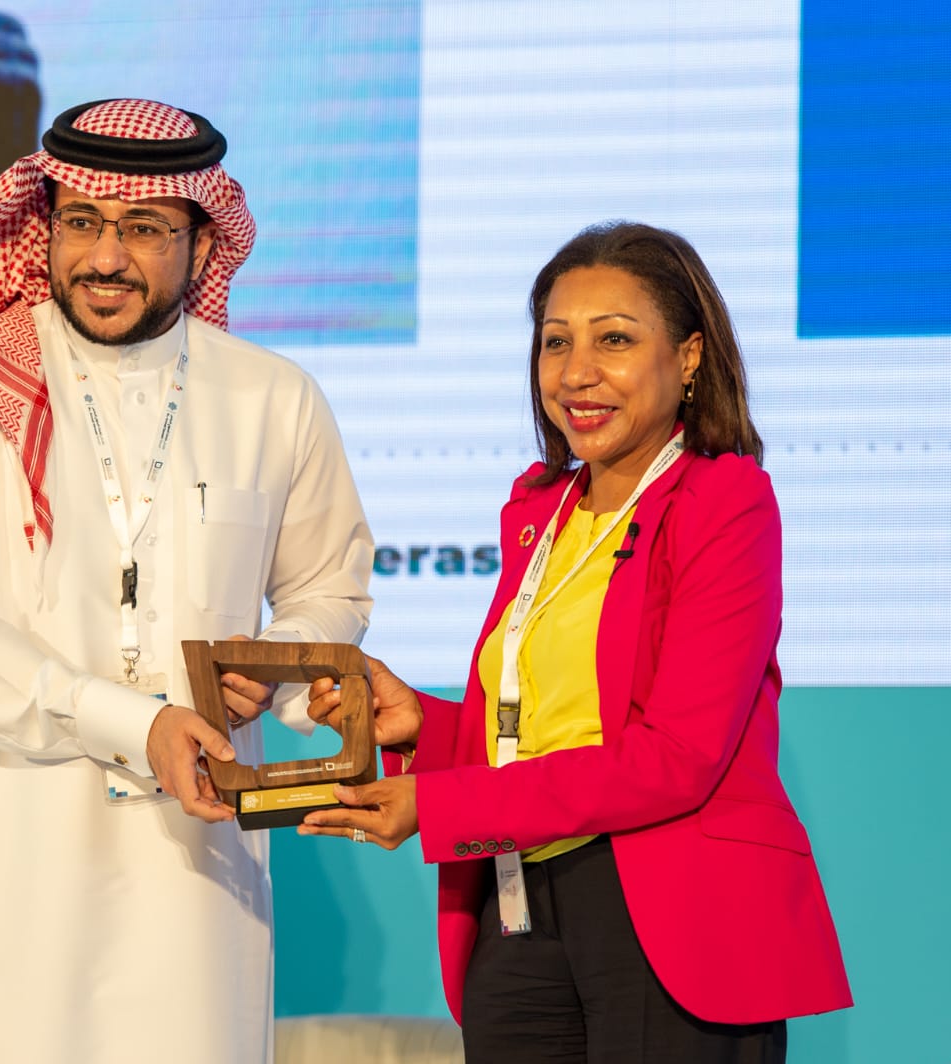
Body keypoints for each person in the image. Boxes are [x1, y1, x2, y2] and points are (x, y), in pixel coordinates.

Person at [0, 98, 373, 1064]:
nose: (105, 257)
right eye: (81, 223)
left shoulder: (273, 398)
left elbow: (328, 589)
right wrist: (132, 722)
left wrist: (272, 663)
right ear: (44, 227)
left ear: (201, 240)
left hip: (191, 878)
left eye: (143, 228)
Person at [302, 222, 852, 1062]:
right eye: (555, 342)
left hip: (668, 919)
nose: (576, 372)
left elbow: (675, 757)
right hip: (518, 911)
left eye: (615, 340)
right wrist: (425, 728)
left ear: (690, 357)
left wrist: (441, 808)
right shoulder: (541, 513)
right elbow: (542, 735)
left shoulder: (725, 503)